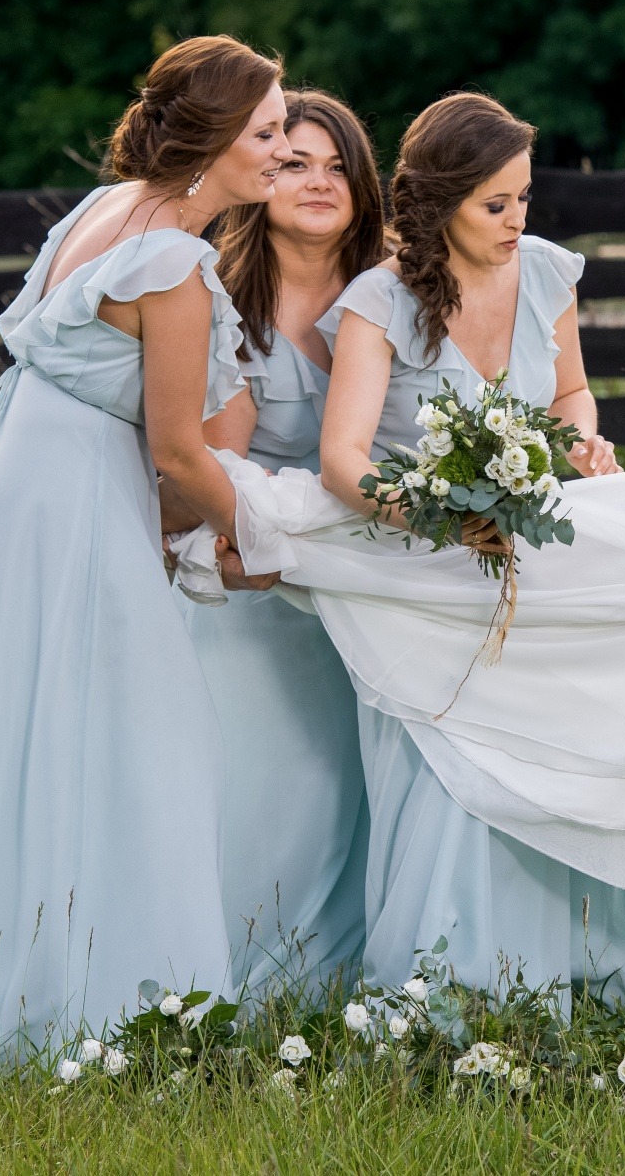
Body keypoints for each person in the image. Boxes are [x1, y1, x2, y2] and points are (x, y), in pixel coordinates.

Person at [204, 93, 625, 994]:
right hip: (421, 563)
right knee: (454, 767)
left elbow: (570, 393)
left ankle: (580, 972)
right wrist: (434, 515)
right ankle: (449, 985)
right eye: (494, 204)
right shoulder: (380, 300)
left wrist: (579, 438)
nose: (516, 221)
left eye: (525, 200)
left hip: (525, 545)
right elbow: (342, 461)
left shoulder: (545, 272)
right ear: (439, 202)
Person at [0, 36, 291, 1061]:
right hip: (76, 492)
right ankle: (97, 1002)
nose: (284, 147)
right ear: (212, 136)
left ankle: (23, 972)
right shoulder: (171, 258)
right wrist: (264, 528)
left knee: (34, 724)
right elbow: (175, 445)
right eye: (265, 131)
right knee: (133, 727)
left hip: (19, 480)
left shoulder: (105, 207)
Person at [173, 89, 388, 995]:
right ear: (259, 176)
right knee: (279, 784)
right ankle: (246, 993)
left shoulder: (401, 291)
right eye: (295, 162)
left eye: (338, 165)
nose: (318, 181)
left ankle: (368, 984)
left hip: (384, 581)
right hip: (265, 586)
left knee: (376, 788)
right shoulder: (217, 298)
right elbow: (206, 473)